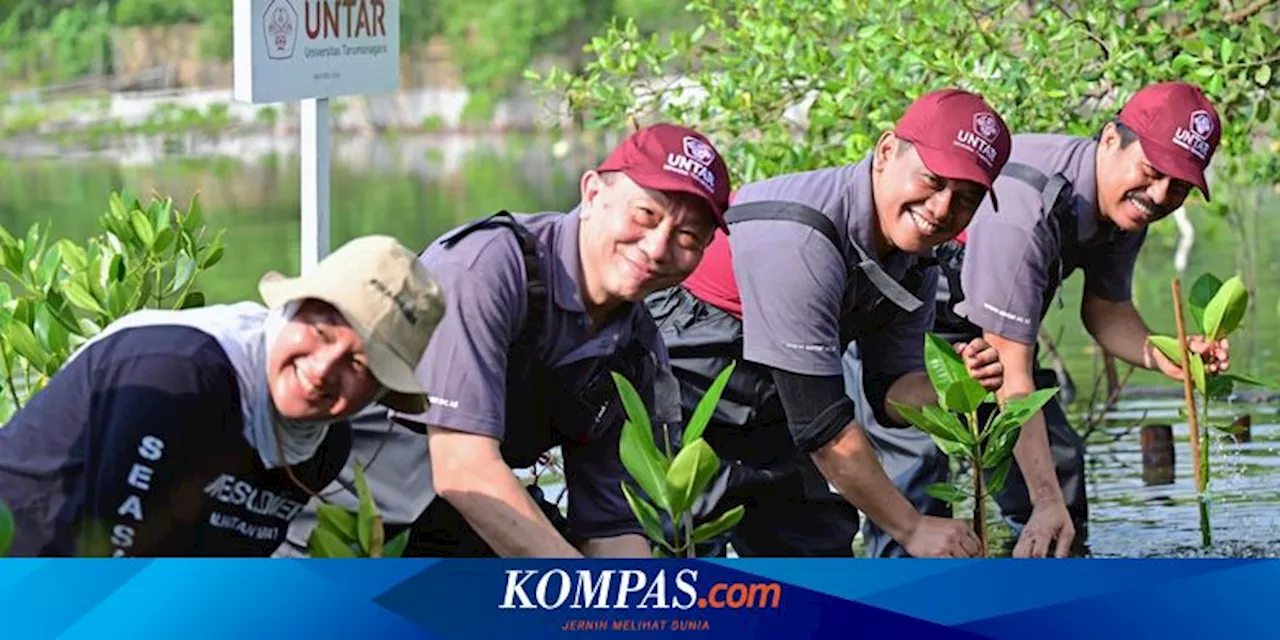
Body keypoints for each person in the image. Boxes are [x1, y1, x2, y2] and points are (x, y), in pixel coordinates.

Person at [276, 123, 732, 558]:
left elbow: (612, 526)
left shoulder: (633, 344)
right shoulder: (489, 268)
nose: (656, 247)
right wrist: (580, 595)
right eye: (645, 215)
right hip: (342, 528)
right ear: (592, 193)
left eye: (687, 236)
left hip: (458, 533)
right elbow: (461, 467)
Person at [859, 80, 1229, 559]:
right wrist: (1044, 500)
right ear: (1112, 139)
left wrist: (1172, 357)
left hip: (993, 340)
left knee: (1059, 469)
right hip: (909, 328)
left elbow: (1106, 309)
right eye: (1152, 171)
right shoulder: (1029, 207)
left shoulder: (1127, 206)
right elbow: (1013, 376)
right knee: (918, 480)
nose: (1159, 195)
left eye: (1178, 186)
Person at [646, 88, 1018, 558]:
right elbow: (822, 426)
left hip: (782, 394)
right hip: (691, 364)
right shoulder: (801, 234)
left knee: (819, 554)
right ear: (886, 152)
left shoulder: (914, 260)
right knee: (685, 559)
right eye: (932, 179)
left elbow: (888, 396)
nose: (943, 209)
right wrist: (911, 528)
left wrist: (956, 385)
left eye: (966, 198)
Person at [0, 235, 445, 557]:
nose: (323, 368)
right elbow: (111, 566)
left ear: (380, 393)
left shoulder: (325, 446)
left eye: (359, 365)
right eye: (320, 330)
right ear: (292, 309)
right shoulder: (178, 374)